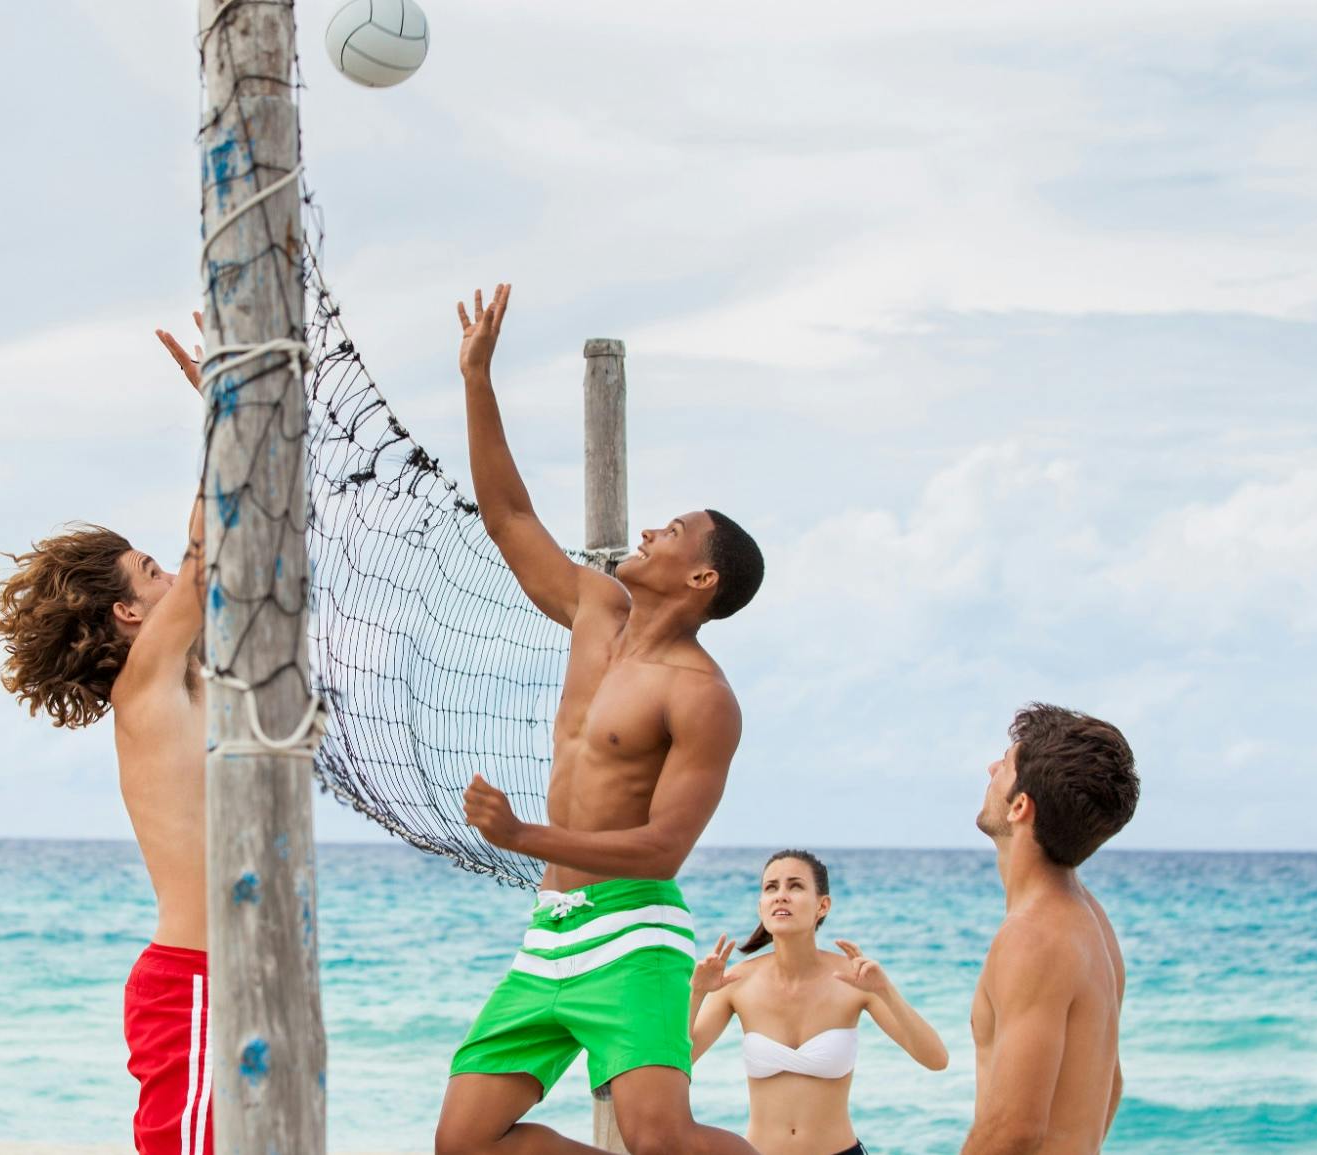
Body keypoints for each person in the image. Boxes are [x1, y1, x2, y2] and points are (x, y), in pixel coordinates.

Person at [433, 283, 768, 1155]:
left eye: (674, 531)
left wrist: (523, 833)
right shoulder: (593, 608)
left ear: (702, 580)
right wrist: (477, 378)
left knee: (661, 1138)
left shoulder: (701, 694)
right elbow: (509, 518)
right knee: (462, 1143)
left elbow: (663, 848)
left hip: (634, 929)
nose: (653, 528)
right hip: (552, 931)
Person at [0, 317, 211, 1155]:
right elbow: (213, 542)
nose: (174, 578)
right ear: (127, 612)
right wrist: (226, 408)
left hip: (243, 978)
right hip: (194, 984)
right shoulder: (147, 684)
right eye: (154, 573)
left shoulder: (197, 681)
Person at [960, 704, 1138, 1155]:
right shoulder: (1089, 919)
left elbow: (1012, 1130)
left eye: (1006, 765)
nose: (992, 767)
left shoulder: (1032, 937)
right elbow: (1108, 1082)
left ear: (1020, 806)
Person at [687, 850, 947, 1155]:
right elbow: (680, 1062)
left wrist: (885, 989)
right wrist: (697, 992)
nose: (781, 896)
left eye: (795, 886)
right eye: (771, 888)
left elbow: (935, 1059)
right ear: (761, 906)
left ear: (822, 906)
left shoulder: (855, 980)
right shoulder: (735, 983)